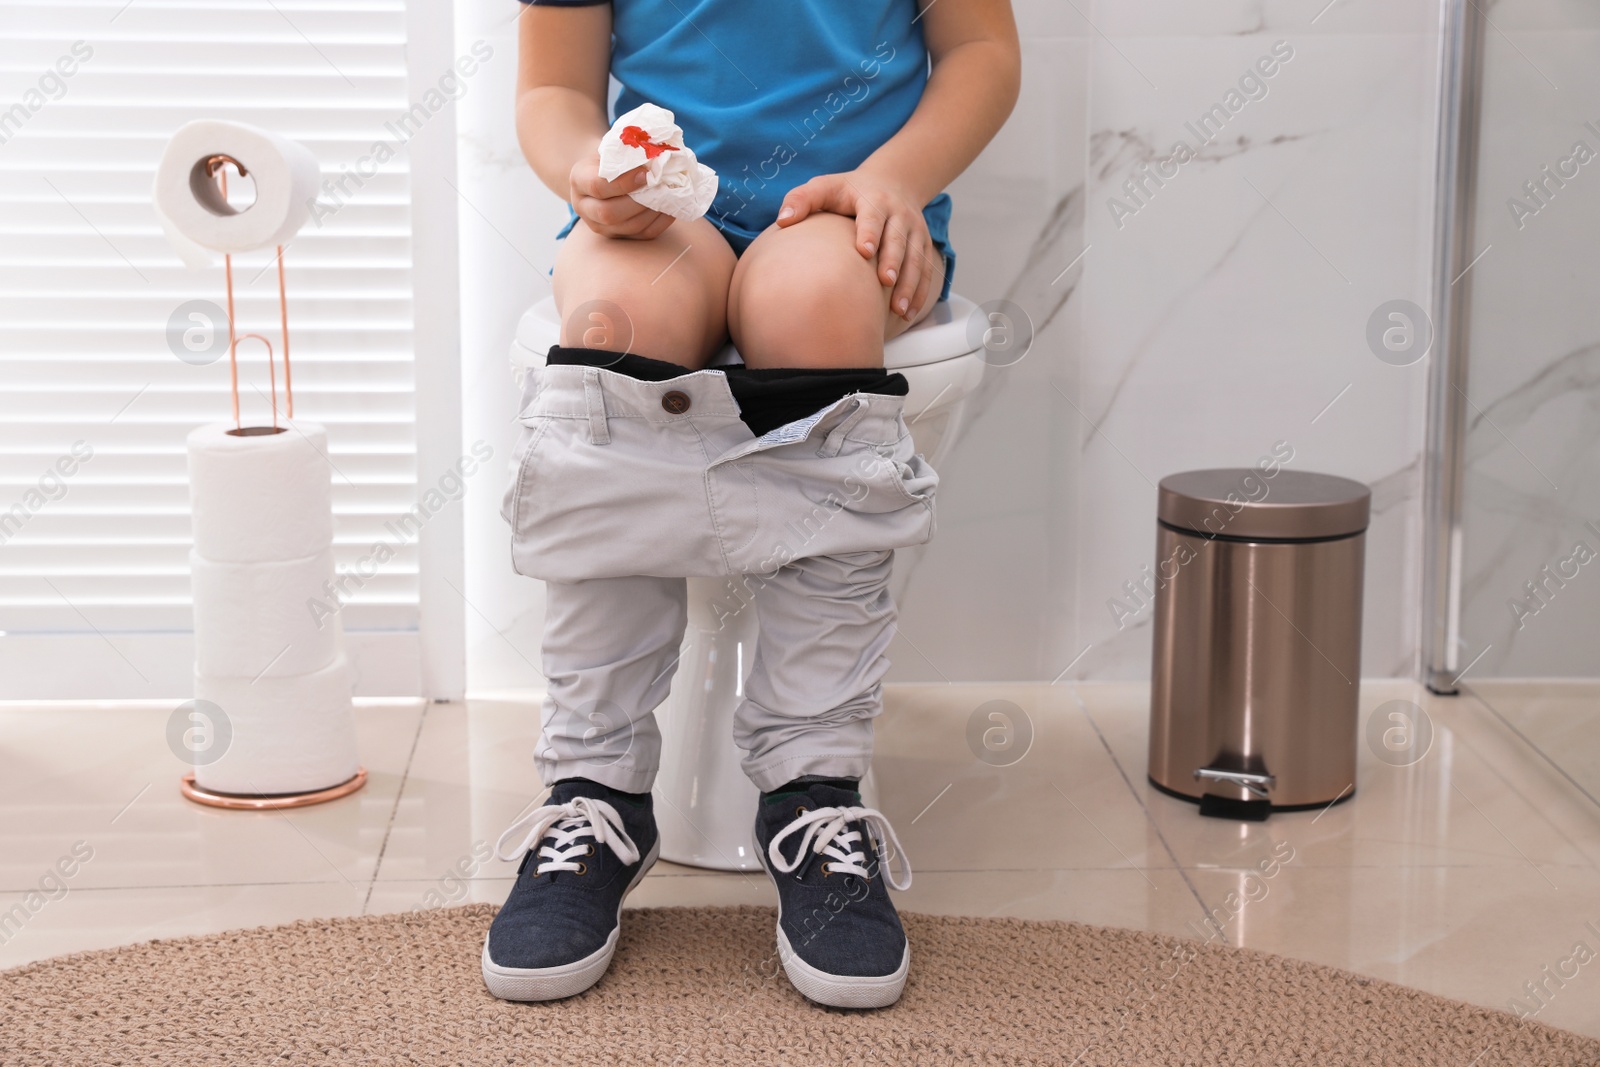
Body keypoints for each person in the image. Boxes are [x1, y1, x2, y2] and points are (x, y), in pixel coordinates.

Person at [482, 0, 1020, 1009]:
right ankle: (593, 793)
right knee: (614, 319)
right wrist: (589, 177)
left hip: (849, 205)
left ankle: (814, 793)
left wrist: (892, 180)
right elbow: (553, 87)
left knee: (812, 306)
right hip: (654, 213)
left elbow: (981, 50)